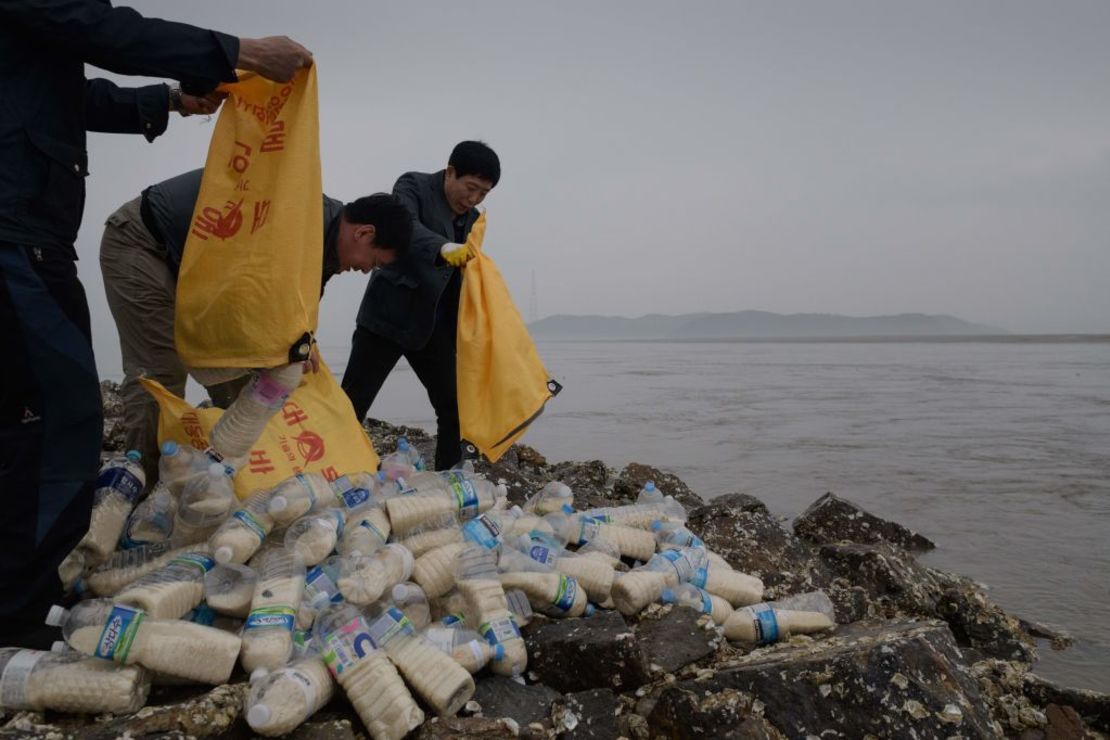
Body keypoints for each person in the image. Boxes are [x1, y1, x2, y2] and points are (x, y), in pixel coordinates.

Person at [0, 1, 312, 647]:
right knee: (61, 415)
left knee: (22, 411)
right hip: (15, 232)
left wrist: (167, 100)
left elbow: (59, 94)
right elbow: (95, 29)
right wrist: (242, 52)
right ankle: (17, 611)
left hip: (29, 228)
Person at [100, 168, 414, 486]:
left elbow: (296, 308)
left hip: (195, 268)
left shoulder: (328, 247)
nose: (364, 271)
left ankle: (234, 479)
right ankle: (141, 485)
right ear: (363, 233)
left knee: (248, 383)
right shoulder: (298, 218)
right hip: (144, 243)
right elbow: (248, 294)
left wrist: (302, 343)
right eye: (373, 262)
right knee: (160, 373)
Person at [342, 141, 501, 471]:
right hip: (387, 318)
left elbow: (464, 277)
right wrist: (443, 247)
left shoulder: (473, 220)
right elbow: (407, 230)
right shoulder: (412, 186)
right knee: (350, 404)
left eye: (483, 194)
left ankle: (447, 480)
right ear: (450, 172)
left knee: (453, 408)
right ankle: (330, 469)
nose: (473, 199)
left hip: (434, 327)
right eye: (470, 188)